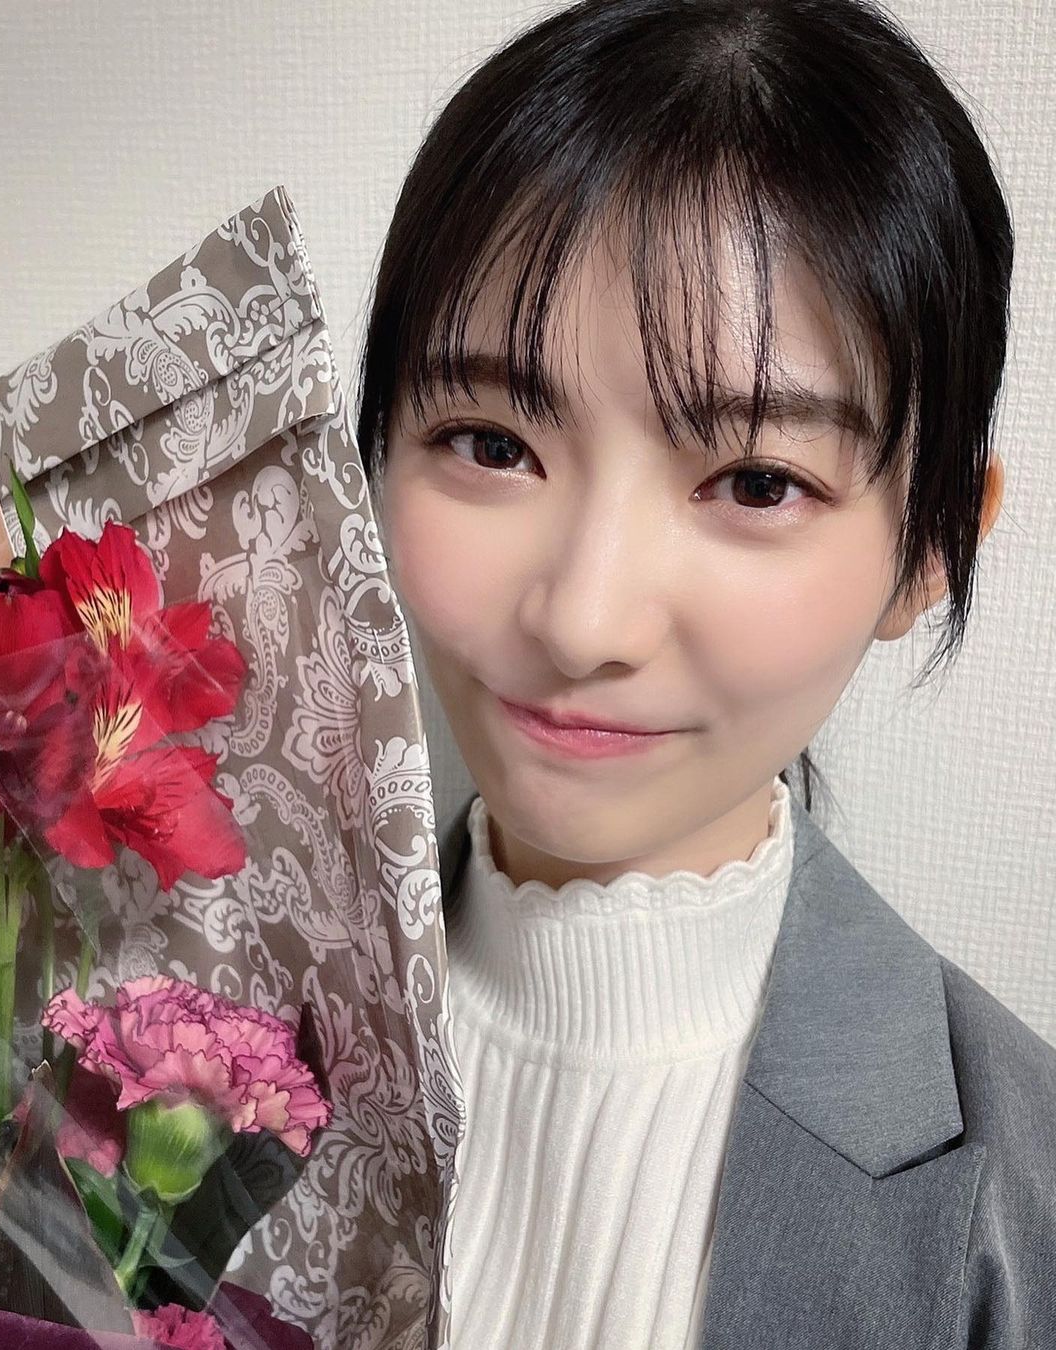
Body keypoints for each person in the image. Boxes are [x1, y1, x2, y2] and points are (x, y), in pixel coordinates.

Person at [353, 0, 1056, 1345]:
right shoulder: (173, 1034)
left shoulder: (1024, 1206)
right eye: (492, 444)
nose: (583, 620)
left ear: (933, 550)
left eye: (755, 481)